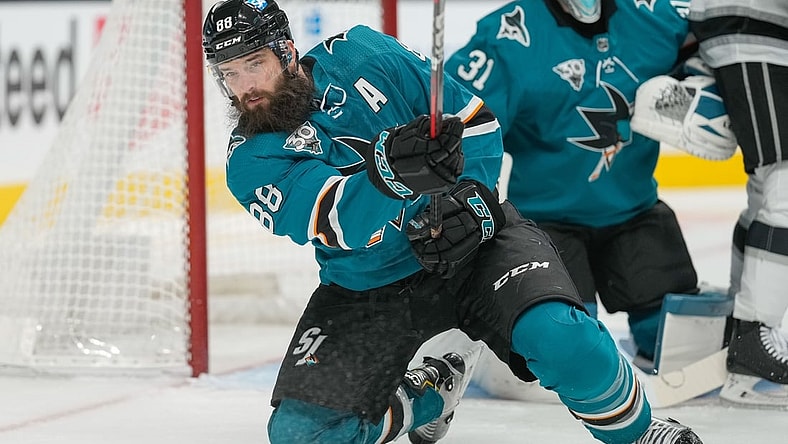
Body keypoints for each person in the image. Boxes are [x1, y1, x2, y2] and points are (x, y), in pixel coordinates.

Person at [202, 0, 702, 442]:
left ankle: (640, 434)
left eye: (254, 64)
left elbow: (476, 122)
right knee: (301, 435)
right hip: (369, 286)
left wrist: (475, 199)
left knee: (565, 338)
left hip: (476, 249)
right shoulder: (250, 159)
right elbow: (336, 220)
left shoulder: (362, 54)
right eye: (228, 73)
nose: (244, 87)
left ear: (286, 51)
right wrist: (390, 173)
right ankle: (428, 396)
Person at [445, 0, 701, 367]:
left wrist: (701, 89)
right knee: (566, 347)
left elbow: (715, 53)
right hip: (545, 226)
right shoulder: (507, 34)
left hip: (637, 213)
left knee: (681, 344)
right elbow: (462, 127)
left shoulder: (657, 14)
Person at [688, 0, 788, 405]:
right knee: (783, 185)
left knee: (770, 187)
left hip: (756, 26)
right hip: (755, 25)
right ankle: (753, 340)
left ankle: (743, 332)